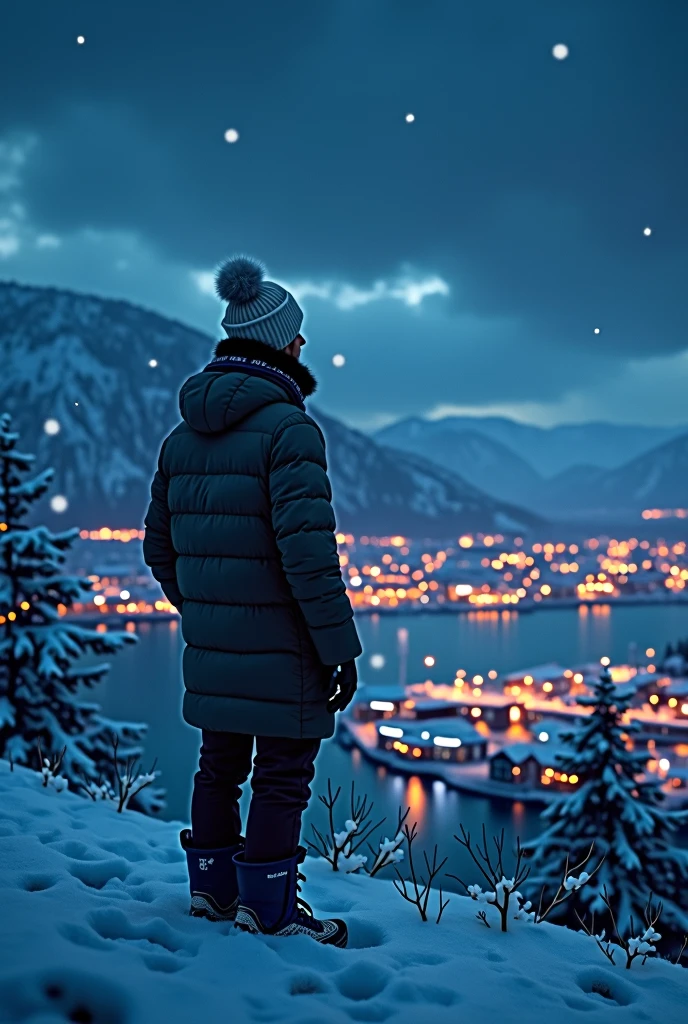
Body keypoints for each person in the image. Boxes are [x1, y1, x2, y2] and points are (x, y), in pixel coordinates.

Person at [143, 256, 361, 947]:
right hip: (286, 646)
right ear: (273, 341)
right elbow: (308, 557)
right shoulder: (291, 431)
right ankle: (267, 909)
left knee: (219, 764)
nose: (303, 347)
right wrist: (338, 649)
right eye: (295, 337)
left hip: (215, 645)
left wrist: (209, 610)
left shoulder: (182, 438)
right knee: (283, 773)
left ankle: (210, 894)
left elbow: (158, 549)